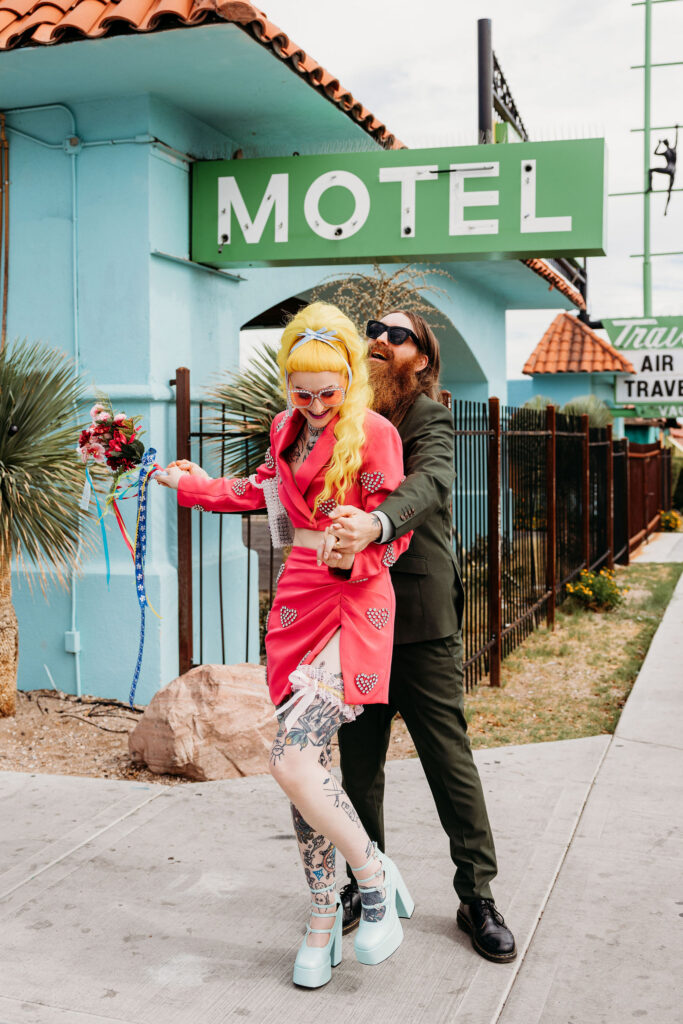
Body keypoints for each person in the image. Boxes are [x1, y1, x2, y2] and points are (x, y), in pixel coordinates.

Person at [156, 302, 414, 988]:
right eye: (303, 394)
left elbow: (398, 527)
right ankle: (322, 915)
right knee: (307, 774)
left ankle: (373, 878)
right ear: (287, 387)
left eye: (328, 393)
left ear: (350, 378)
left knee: (290, 757)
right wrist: (194, 485)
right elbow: (264, 491)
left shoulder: (376, 433)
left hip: (355, 597)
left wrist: (363, 541)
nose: (316, 406)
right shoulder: (282, 428)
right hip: (297, 597)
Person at [320, 310, 516, 964]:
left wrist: (376, 524)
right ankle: (365, 881)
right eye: (374, 328)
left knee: (448, 762)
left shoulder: (428, 417)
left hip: (420, 622)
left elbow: (429, 484)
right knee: (358, 767)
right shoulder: (342, 418)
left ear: (422, 360)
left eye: (398, 335)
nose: (380, 339)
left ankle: (476, 896)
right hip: (355, 617)